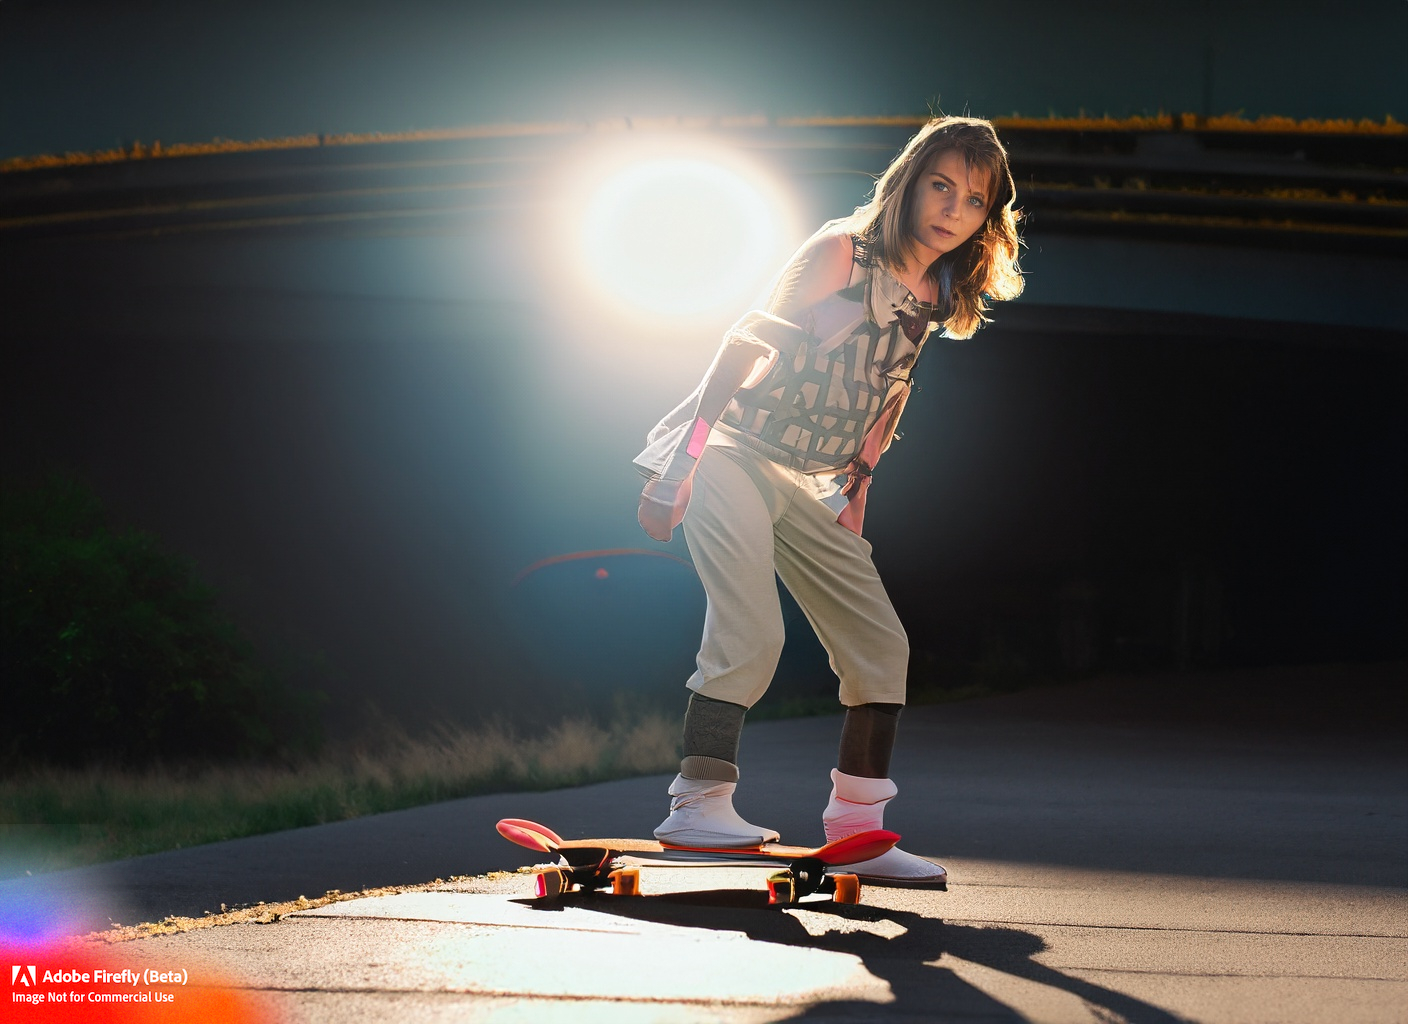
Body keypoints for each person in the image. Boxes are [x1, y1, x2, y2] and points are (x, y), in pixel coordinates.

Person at [632, 115, 1023, 885]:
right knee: (751, 634)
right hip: (731, 452)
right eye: (941, 186)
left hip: (812, 481)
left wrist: (857, 494)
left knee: (880, 646)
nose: (953, 209)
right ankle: (697, 803)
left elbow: (891, 388)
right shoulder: (839, 251)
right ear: (910, 182)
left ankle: (858, 832)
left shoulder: (939, 288)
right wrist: (678, 467)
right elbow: (745, 345)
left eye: (975, 200)